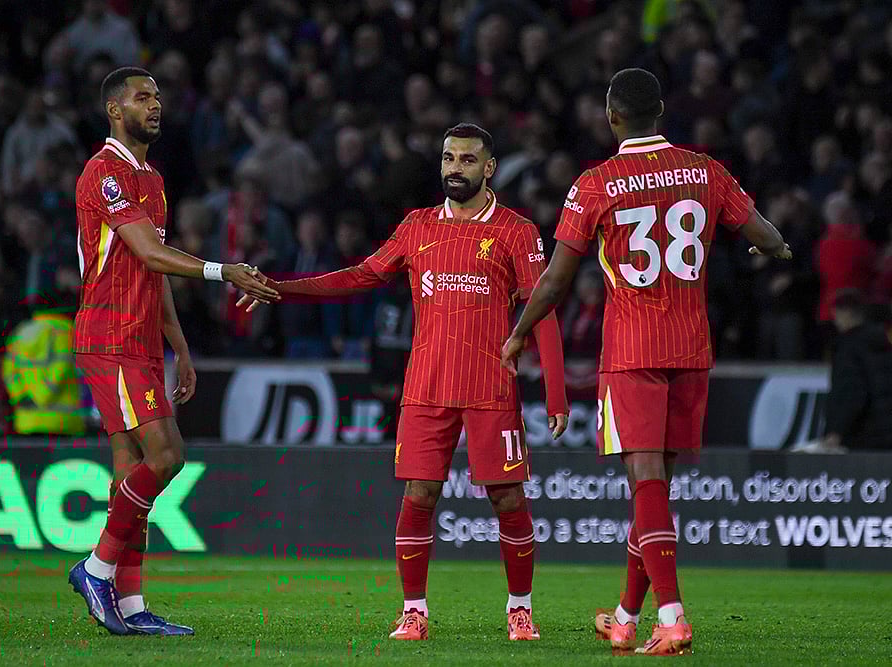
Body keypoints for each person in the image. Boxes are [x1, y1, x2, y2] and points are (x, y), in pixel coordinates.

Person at [501, 68, 791, 656]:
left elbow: (556, 280)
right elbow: (762, 233)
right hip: (691, 346)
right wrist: (777, 247)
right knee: (656, 490)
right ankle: (629, 615)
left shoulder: (598, 182)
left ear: (612, 117)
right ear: (661, 112)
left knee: (646, 481)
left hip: (633, 349)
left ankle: (674, 616)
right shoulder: (705, 170)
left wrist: (520, 332)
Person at [240, 123, 569, 641]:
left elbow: (543, 307)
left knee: (507, 499)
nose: (454, 168)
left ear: (489, 169)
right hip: (426, 387)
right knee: (419, 495)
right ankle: (414, 611)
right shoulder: (416, 226)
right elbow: (359, 276)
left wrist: (554, 391)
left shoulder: (515, 229)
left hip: (490, 388)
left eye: (466, 160)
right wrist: (283, 288)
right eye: (447, 158)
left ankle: (519, 609)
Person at [67, 66, 279, 636]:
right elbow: (147, 251)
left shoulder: (152, 179)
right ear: (115, 110)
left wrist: (180, 348)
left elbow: (152, 269)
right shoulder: (104, 173)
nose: (154, 106)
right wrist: (222, 269)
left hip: (138, 339)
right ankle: (95, 569)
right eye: (142, 98)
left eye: (158, 97)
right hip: (109, 335)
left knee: (130, 475)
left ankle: (130, 609)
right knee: (166, 456)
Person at [821, 289, 892, 451]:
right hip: (884, 433)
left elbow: (852, 392)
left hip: (861, 436)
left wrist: (837, 431)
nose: (835, 319)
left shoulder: (848, 348)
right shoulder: (881, 342)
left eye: (837, 313)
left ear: (847, 313)